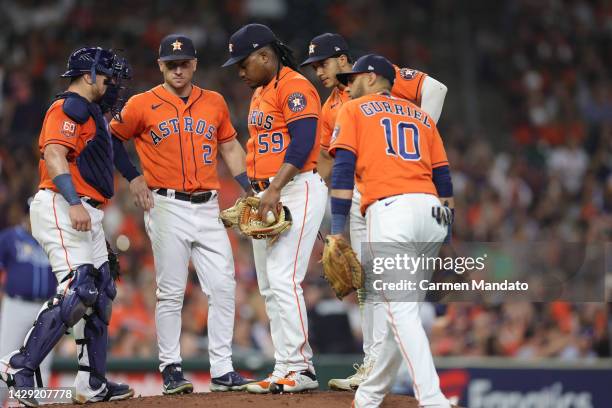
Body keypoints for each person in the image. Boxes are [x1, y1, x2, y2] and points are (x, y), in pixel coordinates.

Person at [300, 33, 448, 391]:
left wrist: (417, 139)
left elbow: (437, 89)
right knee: (367, 283)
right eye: (314, 66)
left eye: (322, 63)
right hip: (357, 194)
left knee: (389, 288)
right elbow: (325, 160)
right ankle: (371, 365)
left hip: (394, 192)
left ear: (342, 59)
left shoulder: (379, 75)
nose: (318, 71)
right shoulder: (330, 105)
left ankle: (400, 378)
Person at [109, 34, 253, 394]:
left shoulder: (215, 102)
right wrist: (133, 176)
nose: (178, 69)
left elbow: (230, 146)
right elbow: (110, 139)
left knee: (223, 286)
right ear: (160, 66)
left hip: (208, 206)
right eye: (171, 64)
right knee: (171, 291)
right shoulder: (142, 104)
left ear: (194, 65)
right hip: (166, 205)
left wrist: (250, 187)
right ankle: (171, 368)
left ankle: (222, 369)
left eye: (184, 62)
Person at [0, 46, 134, 407]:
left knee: (101, 292)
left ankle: (92, 383)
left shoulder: (89, 113)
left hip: (85, 210)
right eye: (107, 77)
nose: (111, 85)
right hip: (61, 204)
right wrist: (75, 203)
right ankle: (19, 366)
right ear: (89, 75)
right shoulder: (67, 107)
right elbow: (55, 154)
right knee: (79, 288)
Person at [222, 24, 328, 393]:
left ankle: (302, 368)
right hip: (269, 193)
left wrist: (275, 188)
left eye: (243, 61)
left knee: (284, 279)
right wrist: (256, 190)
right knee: (269, 286)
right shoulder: (260, 92)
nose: (239, 70)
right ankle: (285, 364)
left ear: (265, 56)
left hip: (294, 189)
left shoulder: (296, 86)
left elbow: (302, 145)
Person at [0, 202, 57, 406]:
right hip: (16, 305)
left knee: (43, 362)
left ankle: (37, 405)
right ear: (26, 216)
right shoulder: (10, 238)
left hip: (45, 308)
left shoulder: (52, 240)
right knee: (5, 357)